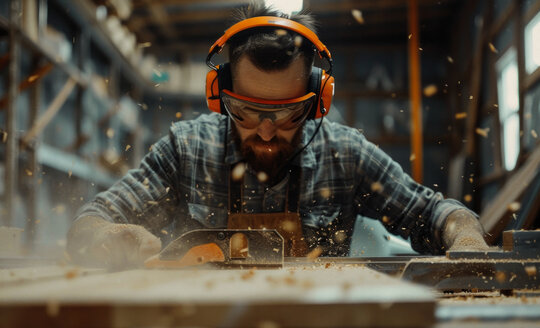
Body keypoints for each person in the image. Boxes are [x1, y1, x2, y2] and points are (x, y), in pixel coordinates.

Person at [67, 3, 488, 269]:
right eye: (247, 111)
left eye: (288, 114)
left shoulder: (345, 154)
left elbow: (433, 214)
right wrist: (107, 237)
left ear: (317, 100)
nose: (266, 131)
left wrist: (465, 235)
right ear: (219, 96)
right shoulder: (185, 150)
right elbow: (90, 220)